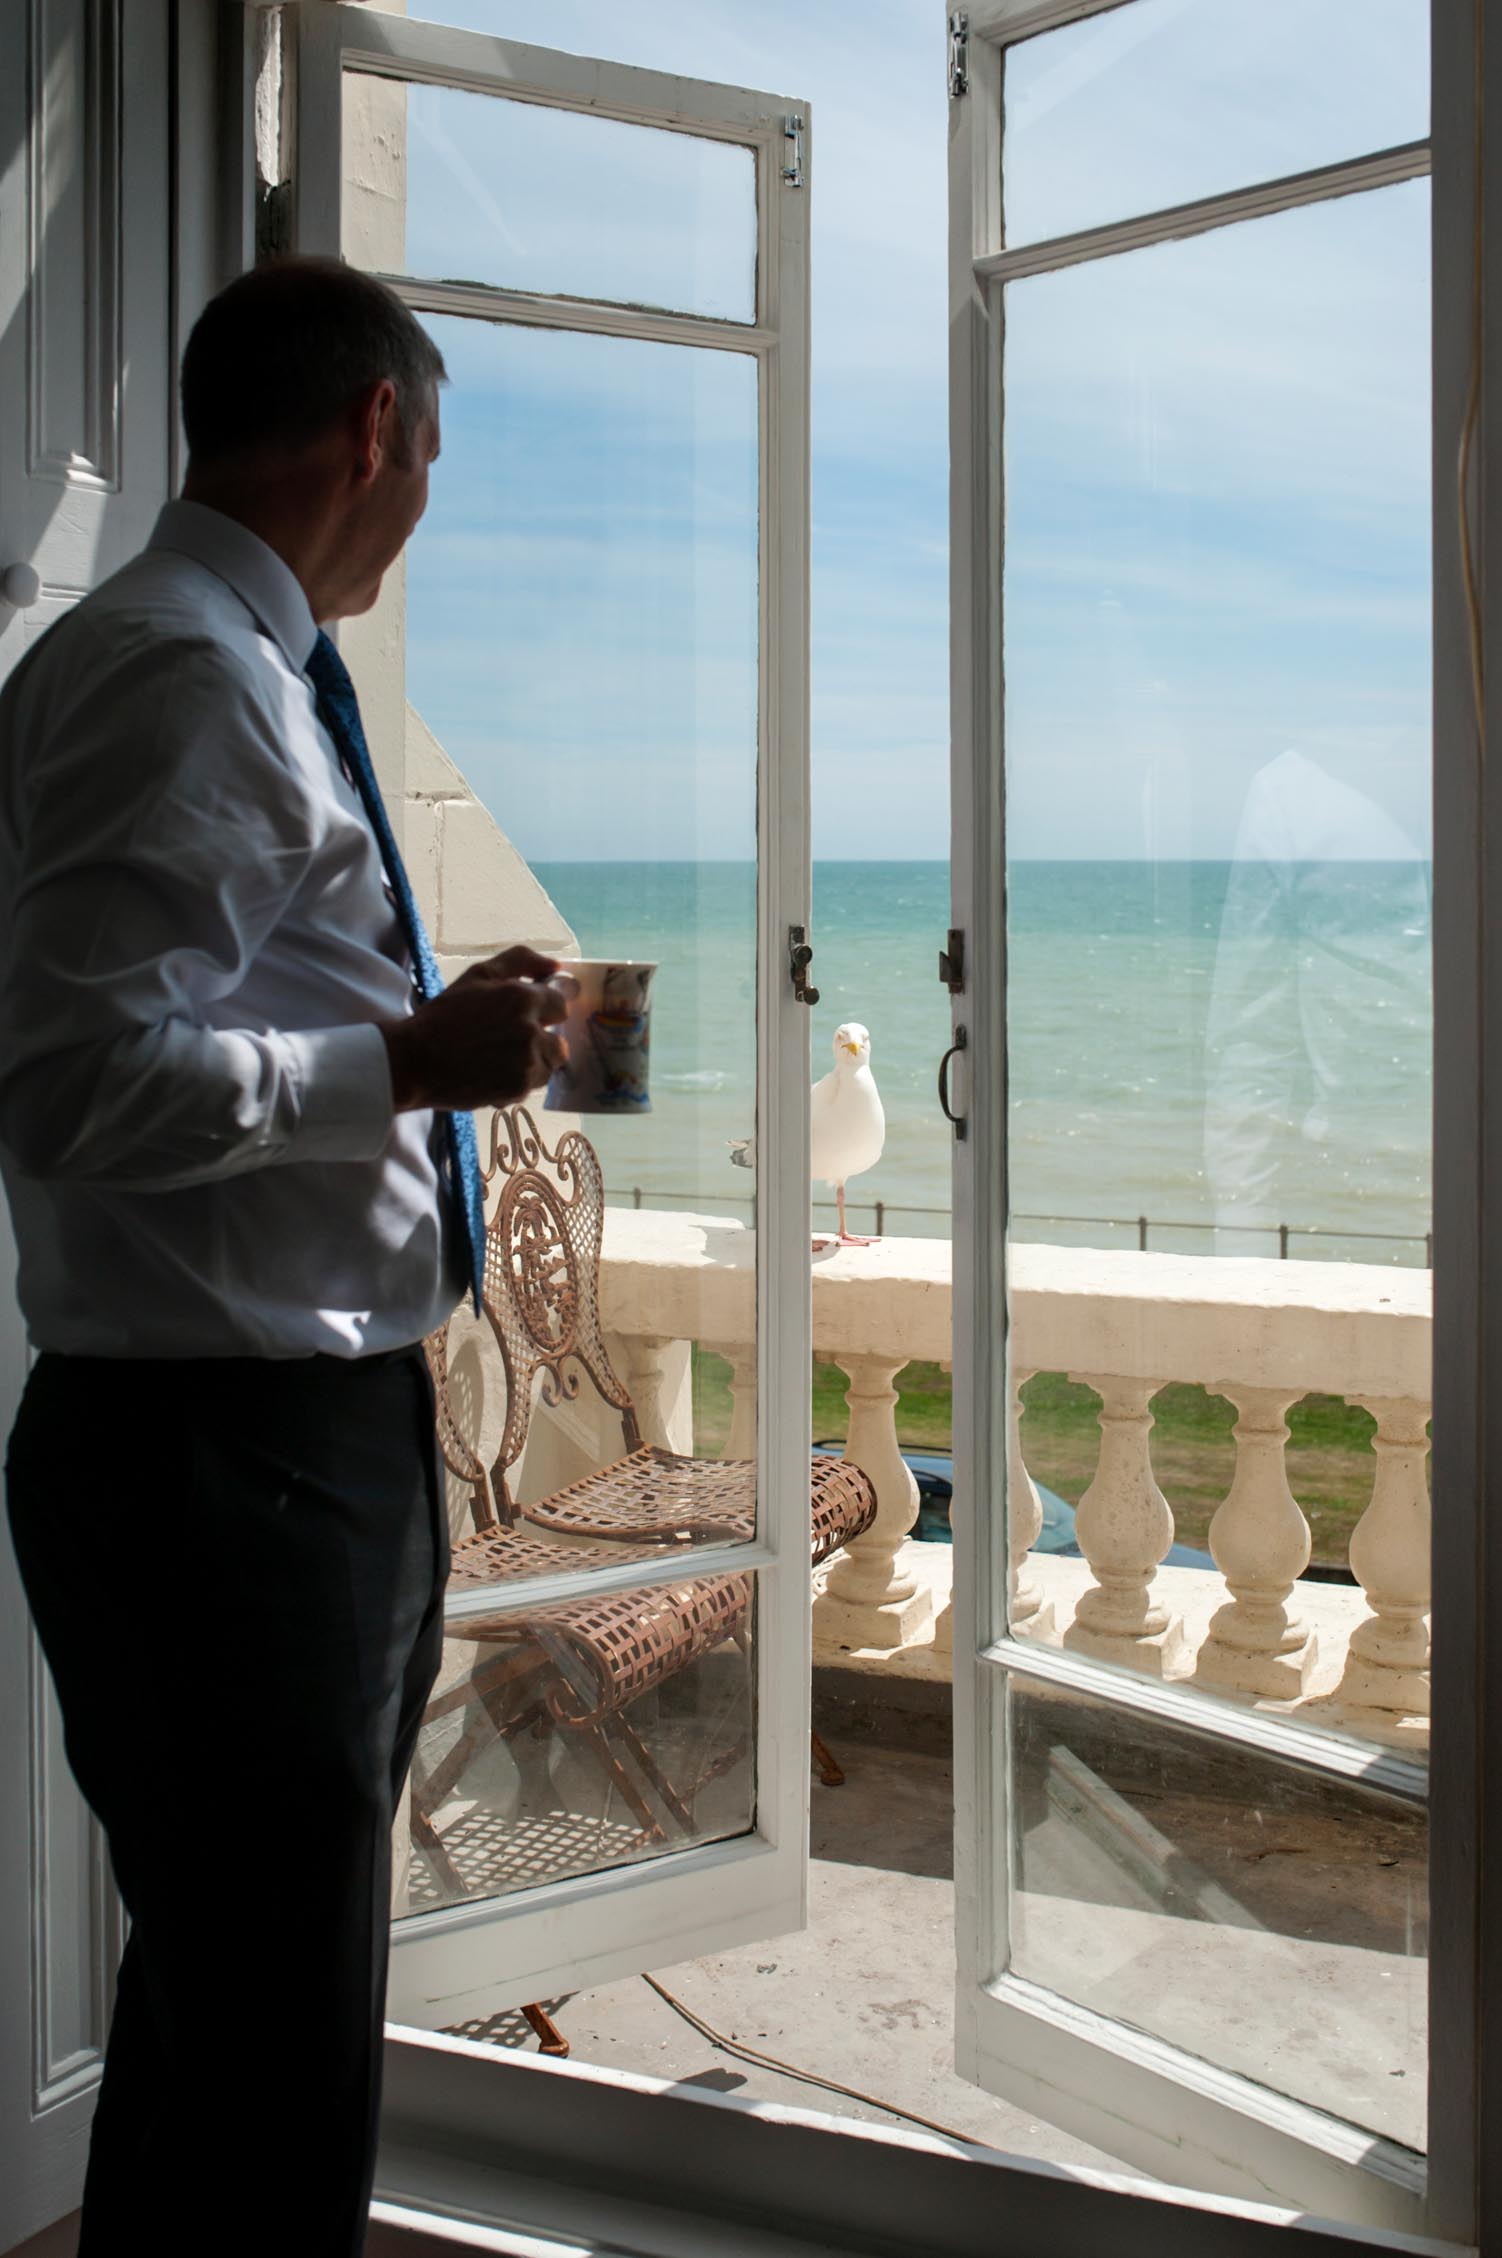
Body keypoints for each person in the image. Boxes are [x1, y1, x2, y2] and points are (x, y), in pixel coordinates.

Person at [0, 256, 566, 2256]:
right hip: (228, 1465)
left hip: (250, 1446)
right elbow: (67, 1085)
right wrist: (408, 1056)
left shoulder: (197, 659)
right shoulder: (183, 668)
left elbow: (202, 997)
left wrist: (417, 1030)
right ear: (376, 434)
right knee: (277, 2027)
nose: (426, 506)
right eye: (433, 460)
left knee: (236, 1996)